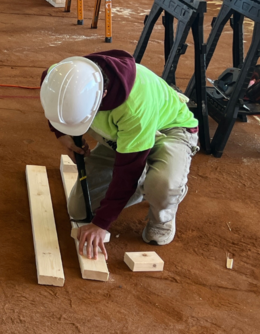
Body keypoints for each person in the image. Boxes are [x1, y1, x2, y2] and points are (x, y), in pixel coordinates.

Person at [40, 50, 200, 260]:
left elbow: (127, 171)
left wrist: (100, 224)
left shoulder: (134, 107)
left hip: (169, 130)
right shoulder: (60, 76)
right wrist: (61, 132)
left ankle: (166, 203)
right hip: (119, 137)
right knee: (79, 209)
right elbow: (54, 101)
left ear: (102, 96)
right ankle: (145, 184)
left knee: (162, 184)